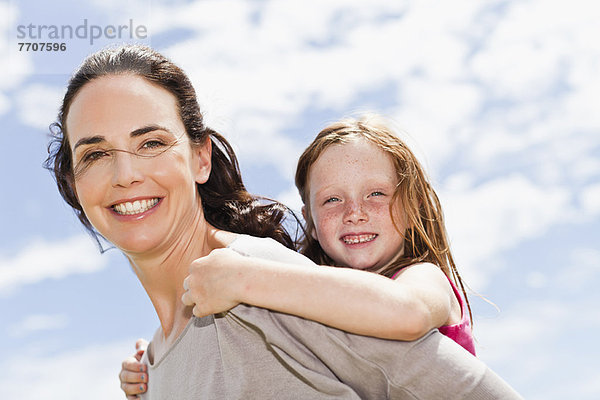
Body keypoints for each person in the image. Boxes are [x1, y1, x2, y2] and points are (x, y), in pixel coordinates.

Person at [48, 44, 522, 399]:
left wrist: (250, 278)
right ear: (73, 182)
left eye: (150, 143)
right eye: (95, 153)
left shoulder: (258, 281)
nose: (125, 174)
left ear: (199, 158)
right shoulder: (153, 366)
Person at [120, 114, 476, 397]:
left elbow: (407, 312)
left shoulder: (423, 276)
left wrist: (244, 278)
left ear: (413, 204)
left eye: (377, 193)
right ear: (310, 219)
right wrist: (159, 366)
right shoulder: (310, 291)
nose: (355, 212)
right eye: (332, 200)